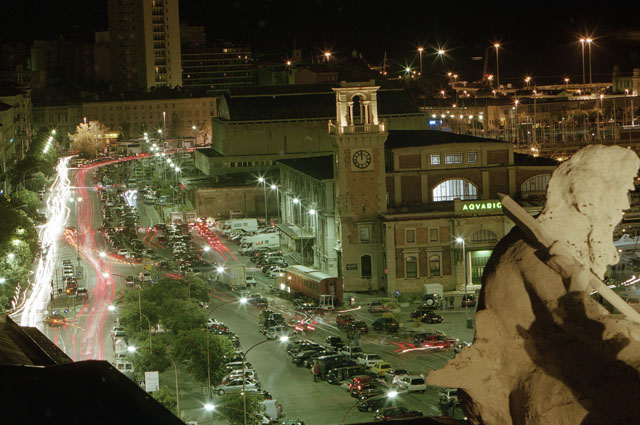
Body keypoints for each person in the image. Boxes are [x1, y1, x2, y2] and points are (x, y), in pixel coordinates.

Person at [428, 145, 640, 425]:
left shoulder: (554, 249)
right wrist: (628, 329)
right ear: (589, 201)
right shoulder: (534, 253)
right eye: (623, 191)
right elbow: (577, 320)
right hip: (536, 384)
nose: (626, 204)